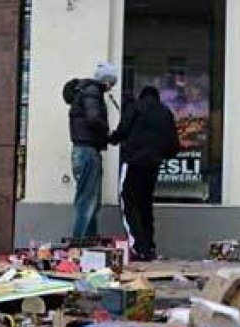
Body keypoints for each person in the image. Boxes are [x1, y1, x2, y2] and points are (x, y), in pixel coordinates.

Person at [109, 85, 179, 261]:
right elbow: (173, 145)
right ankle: (149, 246)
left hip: (133, 163)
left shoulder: (135, 108)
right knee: (145, 205)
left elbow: (122, 131)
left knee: (128, 201)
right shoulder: (165, 112)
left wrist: (111, 138)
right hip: (152, 166)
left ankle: (138, 246)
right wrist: (160, 155)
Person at [65, 62, 118, 240]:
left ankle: (88, 239)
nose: (112, 87)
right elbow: (94, 119)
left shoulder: (87, 92)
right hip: (87, 151)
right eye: (112, 83)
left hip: (83, 150)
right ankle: (80, 242)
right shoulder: (92, 92)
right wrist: (107, 133)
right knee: (88, 200)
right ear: (106, 80)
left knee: (90, 199)